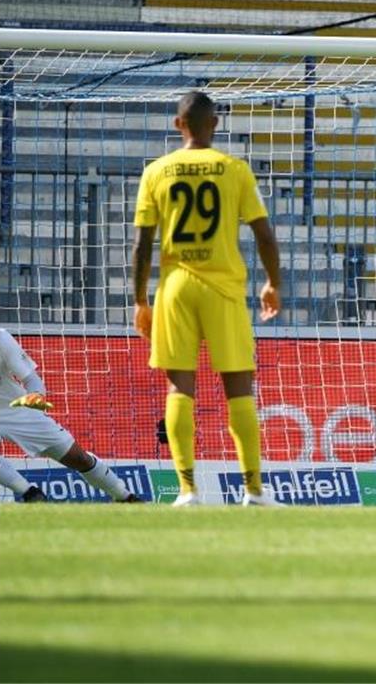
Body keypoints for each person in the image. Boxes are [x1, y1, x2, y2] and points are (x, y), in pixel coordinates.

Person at [131, 90, 283, 507]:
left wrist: (141, 300)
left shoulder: (157, 172)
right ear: (215, 124)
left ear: (178, 125)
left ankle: (187, 491)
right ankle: (253, 491)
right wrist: (273, 282)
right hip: (223, 288)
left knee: (180, 386)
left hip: (176, 286)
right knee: (239, 388)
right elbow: (264, 234)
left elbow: (142, 244)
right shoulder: (234, 170)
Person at [0, 327, 139, 502]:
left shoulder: (0, 338)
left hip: (13, 410)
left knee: (78, 458)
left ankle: (125, 496)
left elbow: (31, 379)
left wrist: (36, 395)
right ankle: (30, 493)